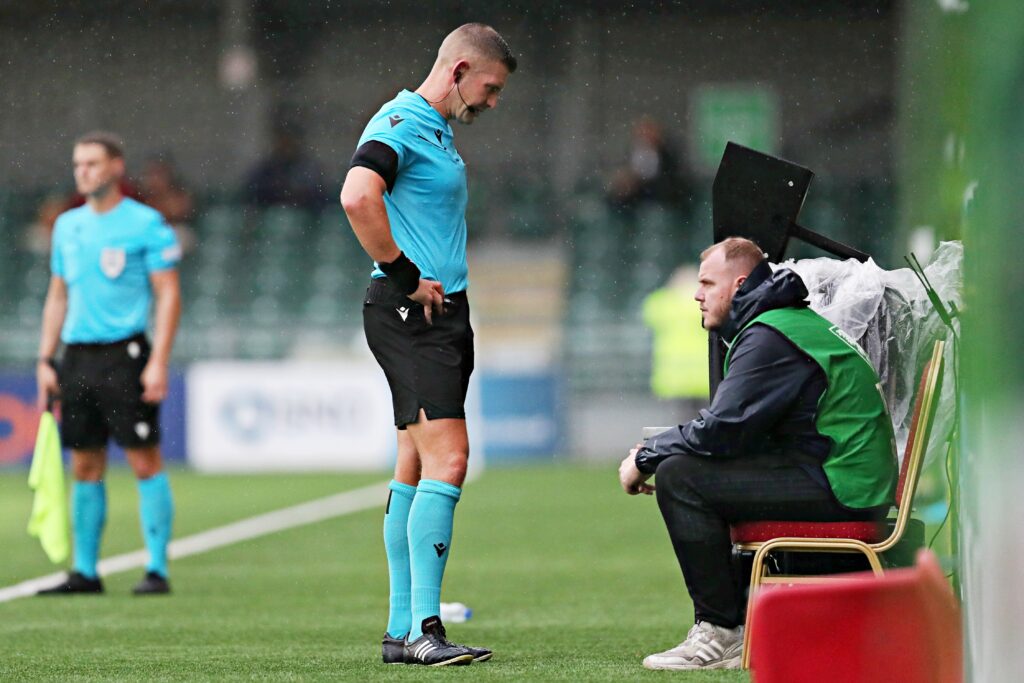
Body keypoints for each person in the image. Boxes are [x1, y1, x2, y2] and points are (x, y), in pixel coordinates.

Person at [618, 237, 897, 670]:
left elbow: (722, 430)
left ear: (740, 284)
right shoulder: (786, 323)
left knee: (679, 476)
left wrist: (645, 457)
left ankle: (721, 631)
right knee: (687, 466)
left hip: (843, 484)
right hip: (841, 474)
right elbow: (737, 432)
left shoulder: (771, 335)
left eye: (708, 283)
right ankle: (737, 623)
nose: (697, 294)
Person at [340, 23, 515, 667]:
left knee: (412, 465)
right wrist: (405, 274)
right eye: (490, 88)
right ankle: (423, 631)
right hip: (414, 316)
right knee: (451, 458)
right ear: (460, 68)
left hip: (438, 316)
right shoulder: (401, 122)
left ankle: (399, 629)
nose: (492, 102)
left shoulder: (433, 128)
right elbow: (358, 196)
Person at [35, 131, 182, 596]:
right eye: (78, 164)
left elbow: (168, 293)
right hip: (76, 357)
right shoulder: (67, 226)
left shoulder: (145, 223)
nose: (84, 172)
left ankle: (156, 568)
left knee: (143, 460)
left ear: (117, 167)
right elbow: (58, 294)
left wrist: (158, 360)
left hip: (126, 354)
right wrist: (45, 358)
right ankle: (85, 572)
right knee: (84, 463)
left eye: (93, 164)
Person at [642, 265, 709, 418]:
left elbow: (650, 311)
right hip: (702, 373)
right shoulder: (703, 303)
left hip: (674, 375)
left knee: (678, 422)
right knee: (704, 419)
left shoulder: (663, 302)